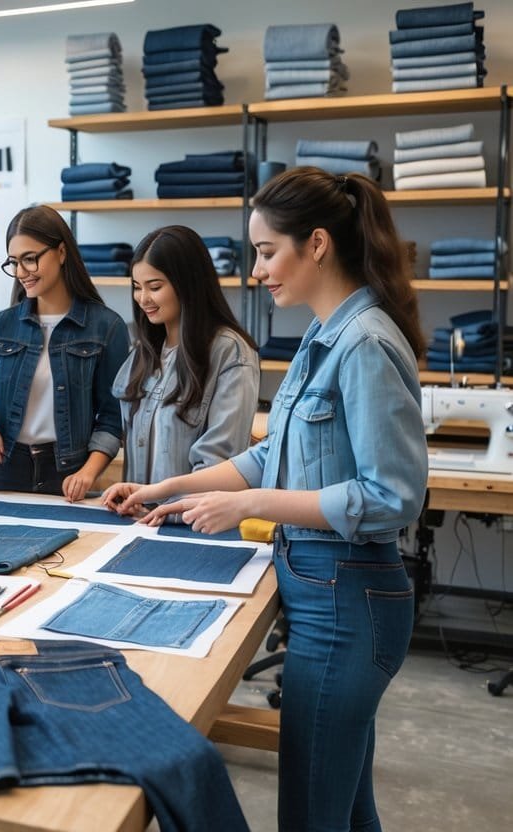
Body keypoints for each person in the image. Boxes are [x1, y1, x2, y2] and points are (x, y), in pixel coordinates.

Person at [110, 168, 427, 831]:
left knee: (312, 814)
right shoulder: (322, 335)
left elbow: (389, 496)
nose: (255, 271)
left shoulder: (363, 342)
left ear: (315, 244)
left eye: (265, 251)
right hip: (325, 592)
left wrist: (250, 505)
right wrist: (168, 486)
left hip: (347, 600)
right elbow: (269, 454)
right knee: (344, 808)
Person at [0, 204, 128, 501]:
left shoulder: (106, 327)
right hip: (3, 470)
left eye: (30, 259)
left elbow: (114, 418)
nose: (21, 272)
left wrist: (88, 472)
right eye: (14, 262)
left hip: (69, 475)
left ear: (61, 252)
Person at [101, 225, 259, 506]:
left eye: (155, 287)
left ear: (187, 283)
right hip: (142, 522)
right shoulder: (144, 353)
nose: (143, 299)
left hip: (194, 525)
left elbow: (219, 458)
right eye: (137, 287)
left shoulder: (230, 352)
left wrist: (169, 509)